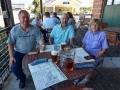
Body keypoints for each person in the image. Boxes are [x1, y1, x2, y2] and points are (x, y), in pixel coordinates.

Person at [7, 10, 45, 89]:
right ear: (19, 18)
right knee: (13, 66)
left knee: (38, 66)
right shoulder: (14, 30)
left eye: (27, 17)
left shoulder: (35, 29)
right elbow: (10, 43)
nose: (25, 19)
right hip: (18, 52)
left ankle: (36, 78)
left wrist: (42, 44)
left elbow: (40, 38)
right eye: (23, 17)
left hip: (32, 52)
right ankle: (22, 78)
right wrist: (11, 56)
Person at [78, 18, 109, 84]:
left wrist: (95, 58)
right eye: (92, 24)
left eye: (96, 25)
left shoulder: (102, 34)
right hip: (85, 54)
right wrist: (80, 51)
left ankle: (86, 79)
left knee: (87, 66)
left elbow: (104, 49)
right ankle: (87, 75)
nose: (94, 26)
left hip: (95, 56)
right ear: (90, 25)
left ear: (99, 26)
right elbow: (84, 43)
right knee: (76, 63)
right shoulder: (88, 32)